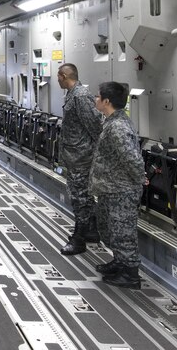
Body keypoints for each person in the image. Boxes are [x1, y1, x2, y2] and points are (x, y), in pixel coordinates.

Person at [90, 81, 146, 289]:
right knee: (111, 229)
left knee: (123, 232)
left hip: (121, 190)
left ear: (106, 101)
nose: (95, 100)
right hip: (110, 187)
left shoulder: (118, 127)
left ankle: (130, 275)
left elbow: (132, 159)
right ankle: (120, 262)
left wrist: (139, 178)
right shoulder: (112, 122)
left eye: (97, 97)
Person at [56, 63, 103, 255]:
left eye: (58, 76)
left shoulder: (81, 96)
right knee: (81, 196)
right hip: (74, 156)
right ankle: (91, 231)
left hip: (81, 157)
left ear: (64, 76)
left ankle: (79, 240)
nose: (57, 80)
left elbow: (95, 126)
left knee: (80, 198)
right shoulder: (72, 95)